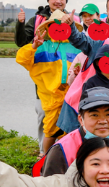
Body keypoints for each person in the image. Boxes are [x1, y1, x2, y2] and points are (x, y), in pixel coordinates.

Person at [16, 14, 82, 155]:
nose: (59, 29)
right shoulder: (43, 47)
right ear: (49, 28)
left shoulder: (76, 47)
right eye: (55, 26)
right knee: (50, 129)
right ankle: (46, 158)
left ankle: (67, 159)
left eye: (63, 26)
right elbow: (22, 59)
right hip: (51, 96)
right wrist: (34, 46)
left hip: (72, 96)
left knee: (71, 130)